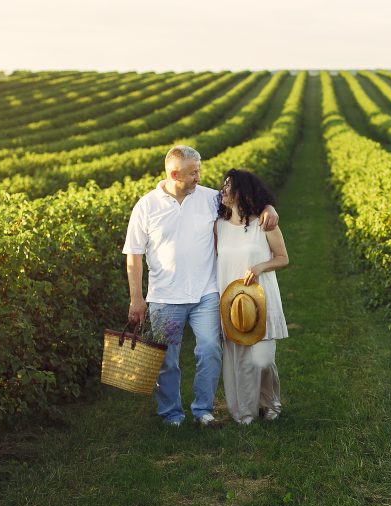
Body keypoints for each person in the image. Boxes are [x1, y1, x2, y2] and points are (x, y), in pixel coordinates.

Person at [123, 146, 278, 427]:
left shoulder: (209, 198)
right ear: (174, 173)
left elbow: (247, 199)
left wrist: (269, 207)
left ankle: (203, 410)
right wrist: (137, 298)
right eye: (193, 172)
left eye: (199, 171)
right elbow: (133, 256)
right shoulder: (146, 206)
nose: (199, 177)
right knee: (167, 360)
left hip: (206, 293)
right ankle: (171, 414)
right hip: (164, 297)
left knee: (209, 349)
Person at [215, 168, 289, 425]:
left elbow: (283, 258)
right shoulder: (218, 226)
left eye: (228, 186)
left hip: (260, 296)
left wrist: (260, 267)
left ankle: (270, 403)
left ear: (243, 192)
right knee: (238, 357)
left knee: (262, 357)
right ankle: (244, 411)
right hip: (231, 298)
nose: (222, 190)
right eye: (222, 186)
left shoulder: (264, 223)